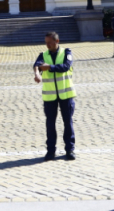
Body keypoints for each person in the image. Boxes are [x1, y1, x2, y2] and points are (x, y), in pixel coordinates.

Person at [33, 31, 76, 161]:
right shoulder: (43, 55)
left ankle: (69, 150)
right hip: (50, 96)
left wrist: (50, 67)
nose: (48, 45)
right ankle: (50, 151)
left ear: (57, 41)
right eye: (46, 43)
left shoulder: (66, 52)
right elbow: (37, 65)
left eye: (50, 43)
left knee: (67, 123)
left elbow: (66, 66)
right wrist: (37, 73)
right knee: (50, 124)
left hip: (66, 94)